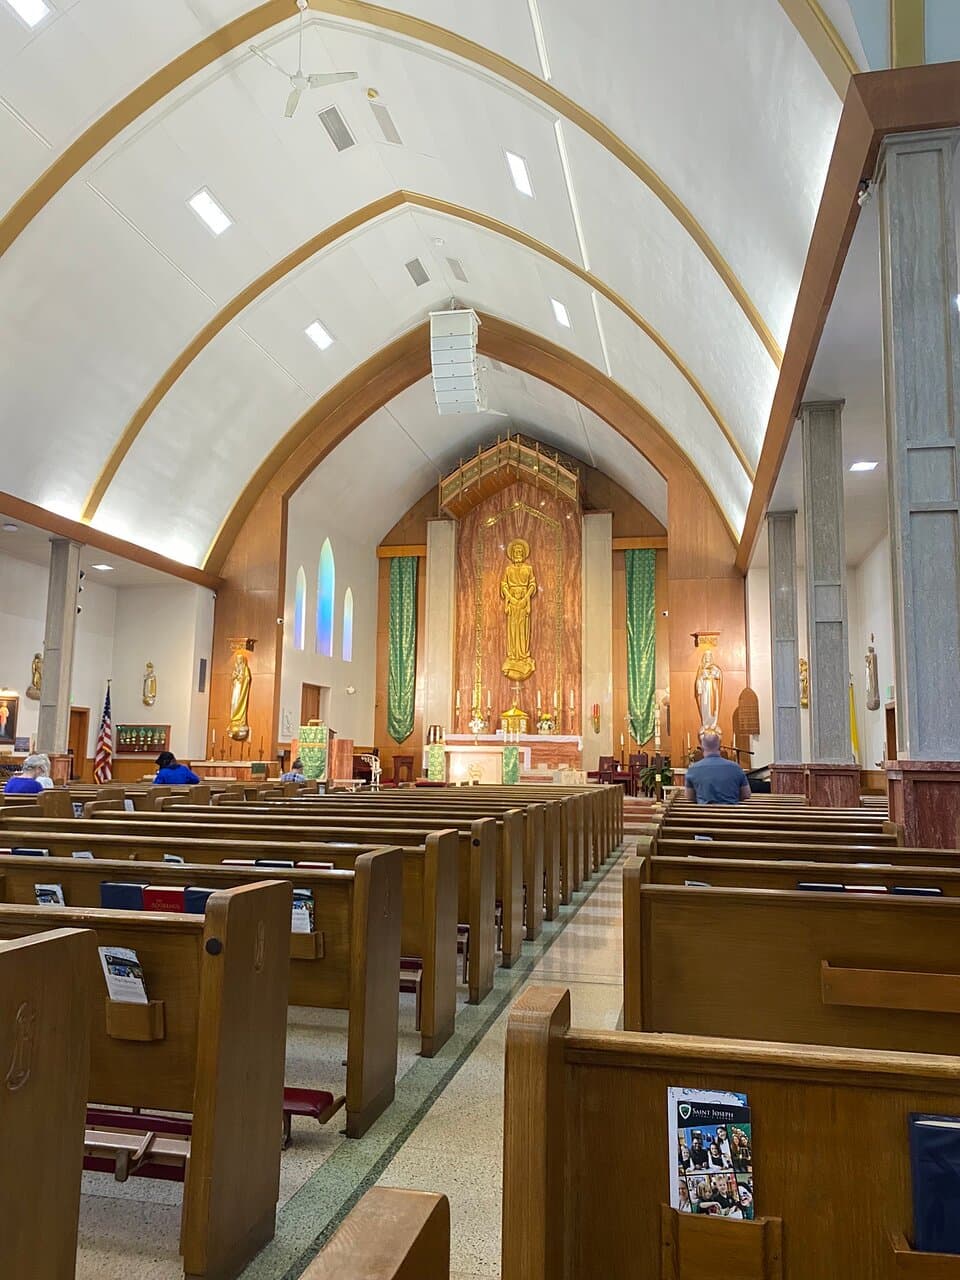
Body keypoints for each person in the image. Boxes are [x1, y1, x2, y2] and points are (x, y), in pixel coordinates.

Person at [684, 731, 751, 805]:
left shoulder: (693, 769)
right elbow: (746, 794)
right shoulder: (736, 767)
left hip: (704, 814)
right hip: (731, 814)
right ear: (720, 747)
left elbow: (689, 796)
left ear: (702, 748)